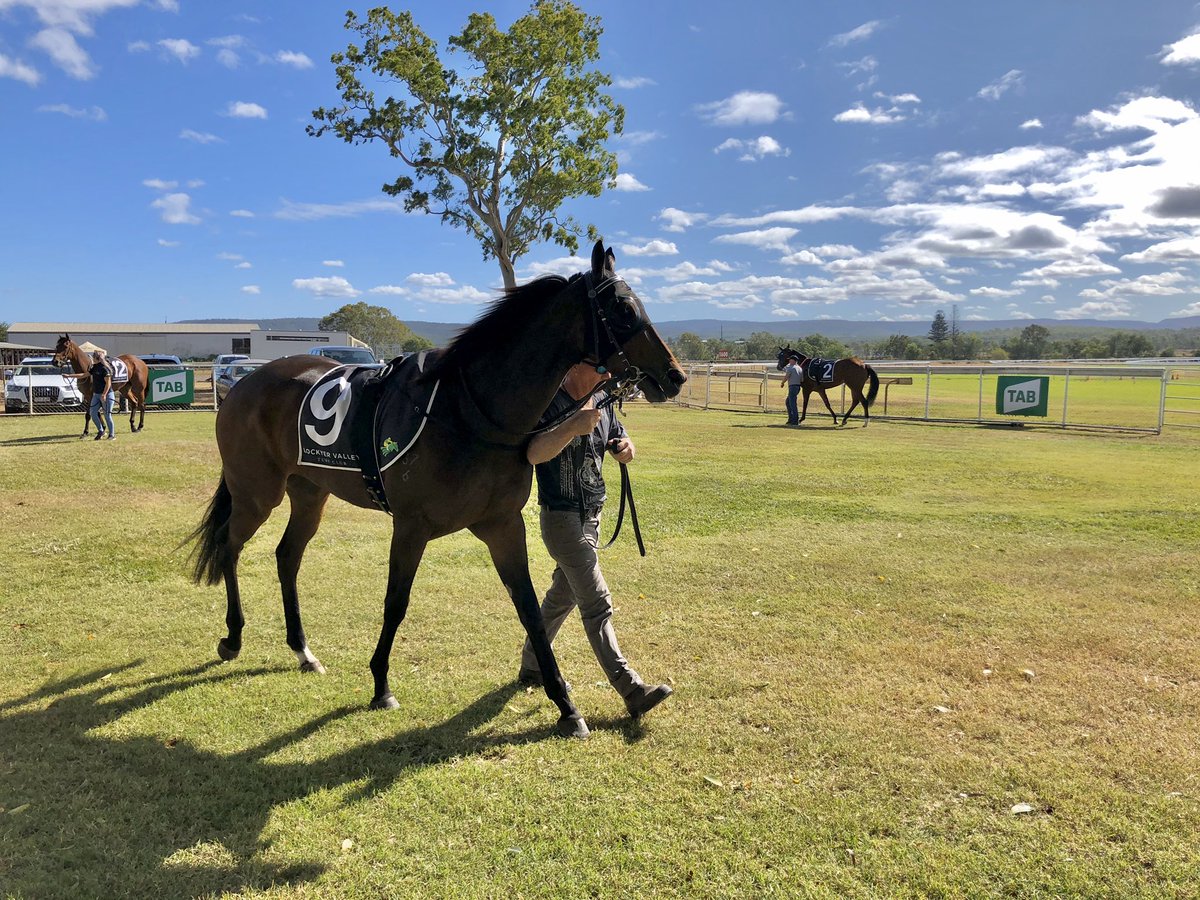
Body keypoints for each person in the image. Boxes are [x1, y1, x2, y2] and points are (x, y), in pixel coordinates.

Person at [518, 362, 672, 720]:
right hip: (561, 517)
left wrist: (625, 449)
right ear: (575, 367)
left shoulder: (603, 398)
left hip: (593, 516)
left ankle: (532, 663)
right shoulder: (550, 403)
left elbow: (624, 440)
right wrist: (571, 427)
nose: (608, 375)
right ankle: (631, 688)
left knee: (563, 595)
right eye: (600, 367)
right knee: (596, 601)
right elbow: (533, 453)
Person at [84, 349, 116, 440]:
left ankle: (112, 435)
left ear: (96, 358)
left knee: (107, 415)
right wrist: (70, 376)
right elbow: (84, 375)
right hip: (96, 394)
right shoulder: (95, 367)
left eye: (93, 357)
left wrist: (104, 394)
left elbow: (108, 383)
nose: (92, 358)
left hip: (107, 395)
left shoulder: (105, 368)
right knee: (93, 413)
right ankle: (101, 431)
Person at [780, 352, 805, 426]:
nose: (789, 361)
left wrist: (782, 383)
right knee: (788, 402)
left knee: (792, 403)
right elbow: (802, 379)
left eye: (790, 360)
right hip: (797, 387)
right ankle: (791, 418)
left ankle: (795, 420)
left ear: (793, 360)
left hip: (792, 386)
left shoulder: (791, 368)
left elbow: (787, 376)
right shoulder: (800, 368)